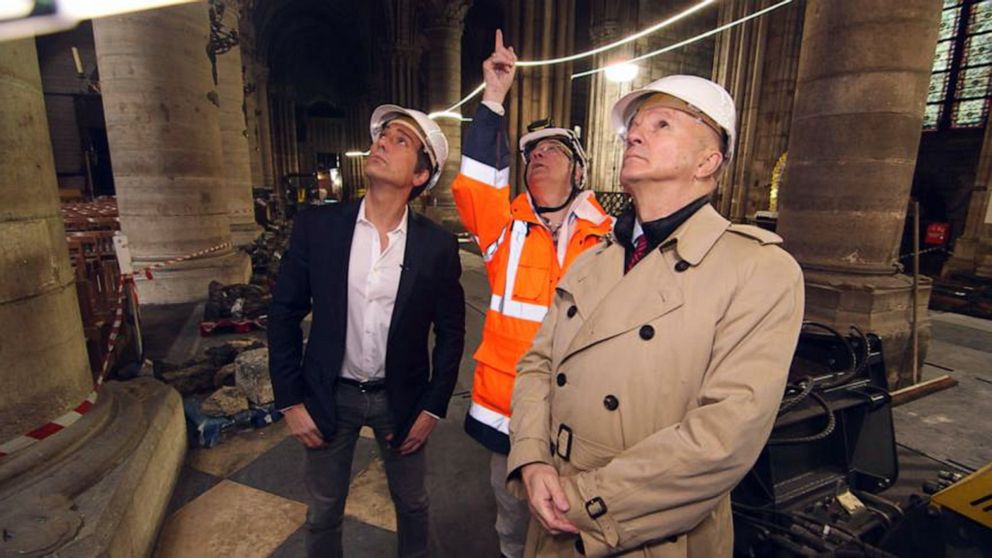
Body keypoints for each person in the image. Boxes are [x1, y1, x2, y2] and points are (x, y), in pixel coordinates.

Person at [506, 75, 806, 557]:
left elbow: (724, 437)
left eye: (661, 124)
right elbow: (538, 366)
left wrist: (584, 501)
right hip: (550, 507)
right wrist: (532, 459)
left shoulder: (759, 269)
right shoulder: (594, 259)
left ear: (709, 161)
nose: (635, 135)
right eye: (634, 128)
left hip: (642, 529)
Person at [268, 104, 466, 558]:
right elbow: (283, 312)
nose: (381, 142)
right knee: (322, 510)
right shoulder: (319, 228)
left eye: (400, 140)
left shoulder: (435, 246)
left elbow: (452, 332)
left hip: (403, 399)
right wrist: (290, 400)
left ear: (419, 175)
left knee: (413, 505)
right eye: (383, 136)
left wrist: (433, 407)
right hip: (329, 392)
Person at [451, 30, 614, 558]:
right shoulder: (504, 229)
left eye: (552, 150)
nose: (539, 157)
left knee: (573, 518)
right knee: (511, 513)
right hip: (509, 406)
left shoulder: (611, 236)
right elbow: (475, 183)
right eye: (532, 153)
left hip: (581, 409)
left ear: (578, 169)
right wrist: (493, 98)